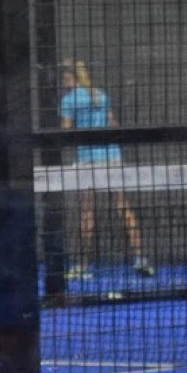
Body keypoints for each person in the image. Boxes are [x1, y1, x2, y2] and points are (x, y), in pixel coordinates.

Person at [59, 59, 153, 280]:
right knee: (123, 207)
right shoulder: (100, 96)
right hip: (112, 158)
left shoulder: (69, 100)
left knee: (87, 213)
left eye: (64, 78)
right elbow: (113, 125)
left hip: (88, 161)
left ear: (69, 78)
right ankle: (140, 258)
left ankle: (82, 266)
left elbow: (65, 130)